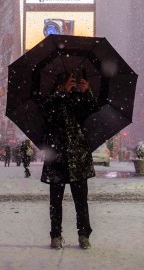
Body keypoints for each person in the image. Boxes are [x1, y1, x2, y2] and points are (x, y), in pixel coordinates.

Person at [40, 71, 99, 250]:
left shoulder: (77, 99)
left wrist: (86, 92)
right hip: (57, 158)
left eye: (72, 82)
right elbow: (47, 113)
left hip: (78, 157)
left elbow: (92, 111)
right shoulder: (52, 99)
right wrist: (61, 93)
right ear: (59, 84)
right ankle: (56, 235)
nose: (71, 85)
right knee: (55, 202)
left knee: (81, 202)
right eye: (68, 82)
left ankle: (84, 235)